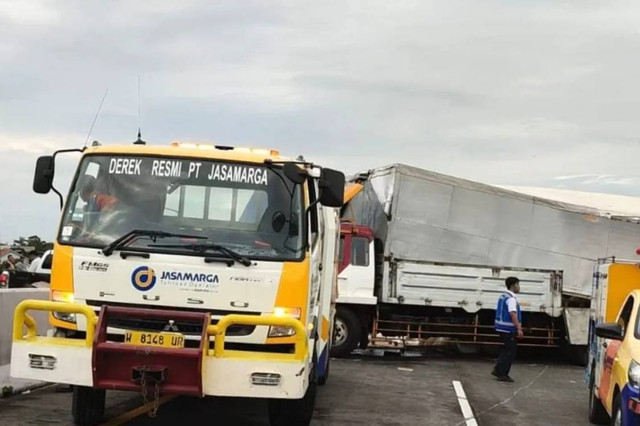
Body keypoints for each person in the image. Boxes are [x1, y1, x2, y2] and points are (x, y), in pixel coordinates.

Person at [491, 276, 523, 383]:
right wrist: (518, 328)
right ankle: (503, 373)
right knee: (510, 352)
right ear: (513, 285)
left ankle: (498, 369)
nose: (519, 287)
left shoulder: (503, 296)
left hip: (501, 328)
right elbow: (512, 313)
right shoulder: (511, 299)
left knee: (505, 350)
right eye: (518, 285)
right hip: (508, 329)